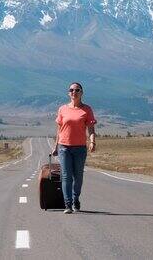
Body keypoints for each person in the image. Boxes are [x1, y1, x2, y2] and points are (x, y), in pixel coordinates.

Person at [53, 82, 97, 214]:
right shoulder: (62, 109)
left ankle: (75, 198)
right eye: (71, 90)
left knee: (78, 176)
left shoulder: (86, 110)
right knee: (66, 176)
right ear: (68, 93)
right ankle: (67, 204)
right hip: (64, 147)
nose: (74, 92)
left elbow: (91, 129)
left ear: (81, 93)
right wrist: (56, 147)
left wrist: (92, 142)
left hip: (80, 148)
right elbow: (59, 130)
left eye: (77, 90)